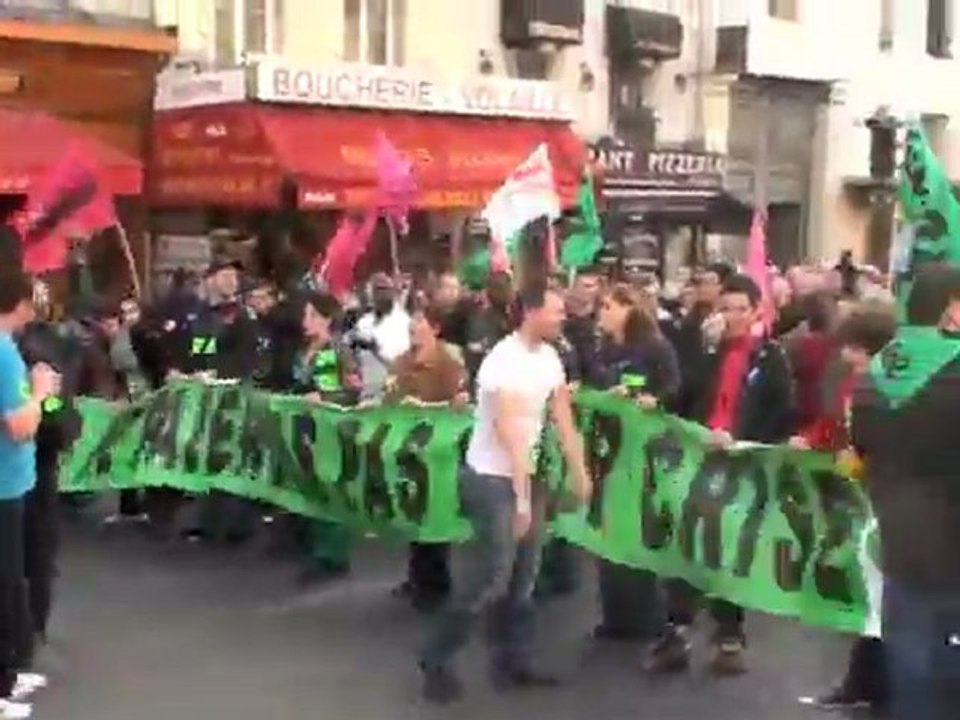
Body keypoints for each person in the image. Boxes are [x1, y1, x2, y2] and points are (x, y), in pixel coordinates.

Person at [418, 283, 592, 704]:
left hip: (527, 474)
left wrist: (579, 471)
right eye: (555, 311)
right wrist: (521, 498)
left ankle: (514, 659)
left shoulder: (551, 357)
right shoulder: (502, 362)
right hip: (492, 477)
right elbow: (509, 430)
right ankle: (436, 657)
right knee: (490, 573)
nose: (562, 316)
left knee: (525, 574)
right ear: (531, 312)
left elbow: (563, 416)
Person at [645, 273, 794, 676]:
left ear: (756, 310)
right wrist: (653, 401)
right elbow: (684, 395)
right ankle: (678, 629)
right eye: (725, 309)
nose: (732, 317)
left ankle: (729, 634)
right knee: (684, 543)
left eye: (739, 309)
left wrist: (745, 439)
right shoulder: (708, 352)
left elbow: (782, 415)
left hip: (742, 465)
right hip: (699, 461)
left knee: (729, 547)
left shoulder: (772, 358)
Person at [851, 263, 960, 720]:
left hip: (898, 535)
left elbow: (862, 442)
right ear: (950, 310)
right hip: (952, 539)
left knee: (910, 665)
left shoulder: (877, 371)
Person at [791, 302, 895, 714]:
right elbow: (837, 424)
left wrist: (854, 460)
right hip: (867, 496)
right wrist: (813, 440)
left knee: (880, 592)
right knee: (872, 593)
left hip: (886, 500)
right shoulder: (860, 383)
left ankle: (872, 684)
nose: (844, 356)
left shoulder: (888, 388)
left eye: (851, 348)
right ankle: (865, 682)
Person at [587, 284, 680, 641]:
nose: (602, 314)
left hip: (643, 450)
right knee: (608, 530)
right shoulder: (606, 349)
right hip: (609, 447)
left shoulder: (656, 346)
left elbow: (674, 387)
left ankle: (648, 616)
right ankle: (615, 615)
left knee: (639, 529)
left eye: (608, 306)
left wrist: (653, 399)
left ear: (628, 307)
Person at [0, 269, 60, 719]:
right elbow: (20, 424)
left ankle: (13, 669)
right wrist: (41, 396)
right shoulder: (5, 350)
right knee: (7, 585)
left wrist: (48, 401)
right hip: (9, 479)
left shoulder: (18, 346)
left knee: (19, 578)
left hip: (23, 478)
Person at [385, 305, 468, 611]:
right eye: (412, 322)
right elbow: (389, 395)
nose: (413, 327)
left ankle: (435, 583)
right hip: (408, 448)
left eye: (420, 322)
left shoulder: (449, 362)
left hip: (438, 449)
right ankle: (416, 575)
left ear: (434, 328)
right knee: (412, 513)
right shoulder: (401, 362)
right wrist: (398, 401)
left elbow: (460, 397)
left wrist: (455, 402)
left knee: (435, 514)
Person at [287, 291, 361, 585]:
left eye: (312, 315)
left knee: (329, 488)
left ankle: (332, 555)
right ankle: (316, 546)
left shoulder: (335, 350)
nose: (307, 321)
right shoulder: (306, 348)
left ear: (326, 318)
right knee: (310, 486)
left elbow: (352, 390)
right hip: (304, 424)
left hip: (328, 426)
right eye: (305, 315)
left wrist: (326, 396)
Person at [349, 273, 411, 402]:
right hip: (367, 395)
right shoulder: (363, 323)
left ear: (392, 291)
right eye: (375, 290)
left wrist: (375, 348)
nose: (379, 294)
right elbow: (353, 356)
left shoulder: (404, 322)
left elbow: (402, 363)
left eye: (383, 289)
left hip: (394, 396)